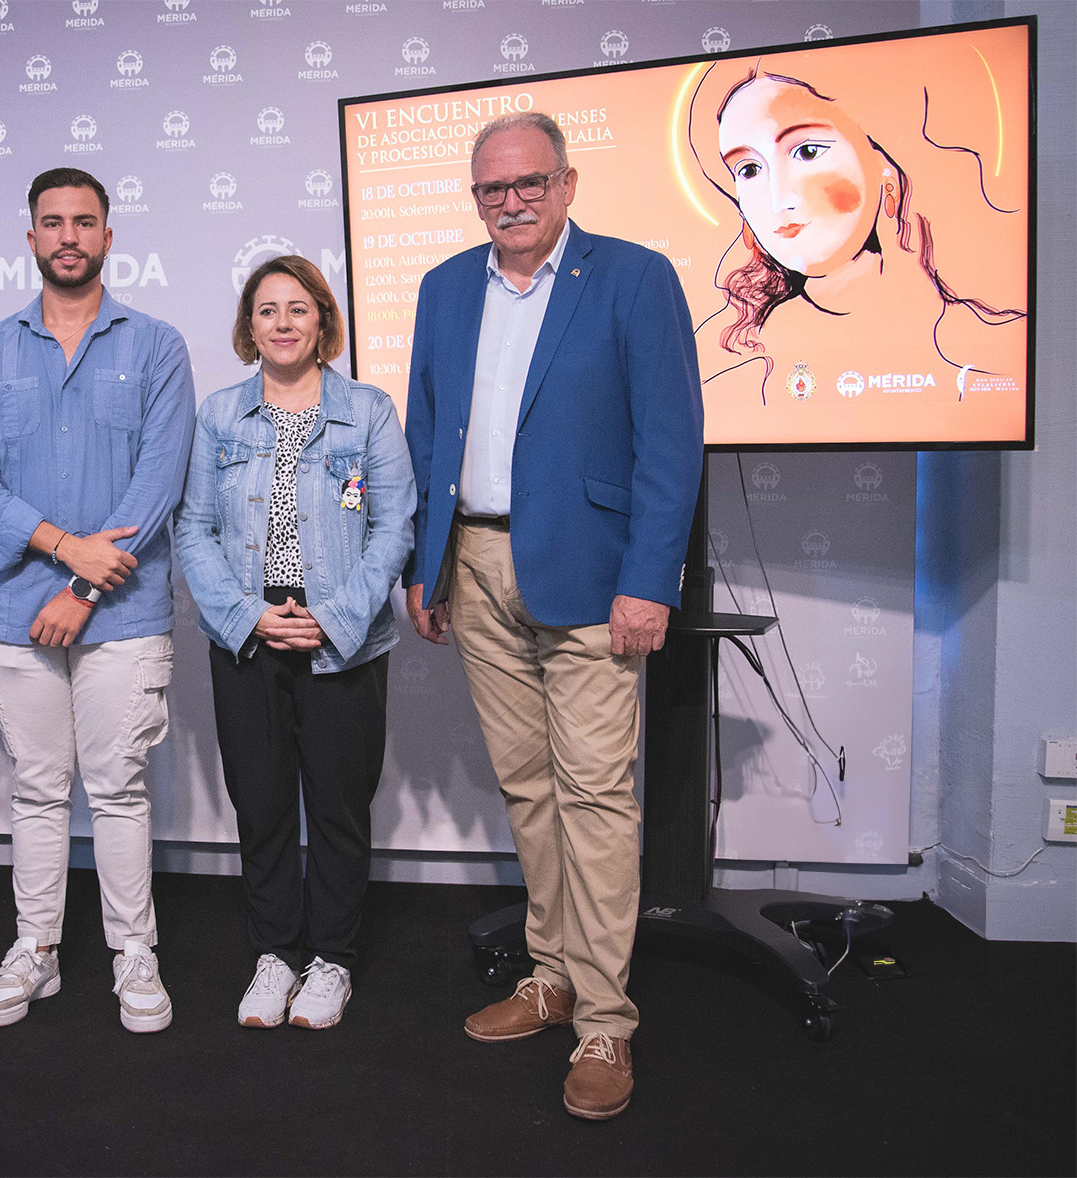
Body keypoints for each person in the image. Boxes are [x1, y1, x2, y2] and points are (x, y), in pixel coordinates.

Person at [403, 113, 702, 1120]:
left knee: (596, 796)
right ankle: (551, 974)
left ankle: (606, 1020)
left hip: (593, 574)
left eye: (531, 182)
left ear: (567, 183)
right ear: (475, 198)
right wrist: (426, 564)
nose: (513, 202)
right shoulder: (446, 286)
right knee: (527, 787)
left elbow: (671, 441)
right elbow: (427, 432)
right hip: (476, 564)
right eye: (493, 189)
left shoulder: (634, 278)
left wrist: (650, 579)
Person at [0, 167, 194, 1033]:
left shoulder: (156, 346)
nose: (68, 237)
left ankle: (134, 954)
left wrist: (84, 586)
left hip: (122, 613)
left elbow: (157, 487)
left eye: (84, 222)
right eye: (52, 222)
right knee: (38, 791)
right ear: (31, 238)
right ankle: (37, 951)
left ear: (107, 236)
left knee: (120, 789)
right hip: (15, 610)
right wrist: (63, 550)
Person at [175, 255, 414, 1030]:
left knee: (339, 805)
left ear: (322, 321)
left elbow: (393, 527)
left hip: (340, 632)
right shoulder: (219, 415)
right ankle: (275, 953)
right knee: (262, 801)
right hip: (248, 630)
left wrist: (335, 619)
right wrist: (246, 616)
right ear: (250, 326)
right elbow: (193, 528)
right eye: (267, 309)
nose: (282, 322)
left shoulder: (368, 412)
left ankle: (332, 959)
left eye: (298, 308)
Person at [688, 43, 1027, 407]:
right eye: (749, 170)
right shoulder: (730, 360)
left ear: (886, 171)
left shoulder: (994, 349)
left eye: (807, 152)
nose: (777, 200)